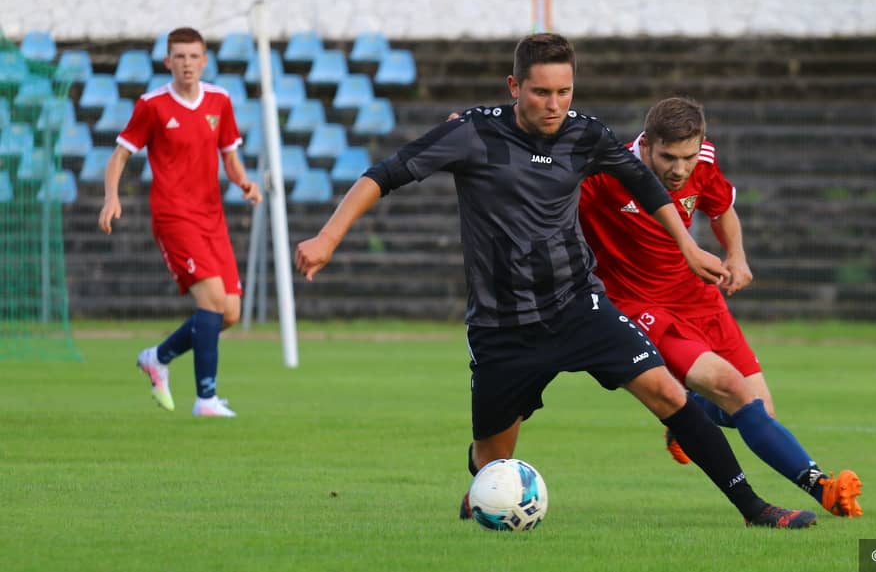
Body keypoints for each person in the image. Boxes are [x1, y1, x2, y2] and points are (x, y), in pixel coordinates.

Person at [296, 33, 816, 528]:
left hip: (578, 306)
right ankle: (484, 484)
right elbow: (385, 174)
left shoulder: (585, 135)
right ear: (514, 86)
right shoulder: (472, 133)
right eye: (541, 92)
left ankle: (754, 509)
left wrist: (687, 245)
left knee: (668, 394)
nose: (554, 104)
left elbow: (643, 182)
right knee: (492, 460)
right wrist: (327, 238)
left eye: (564, 92)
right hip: (503, 325)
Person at [577, 96, 863, 517]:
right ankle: (822, 487)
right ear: (646, 145)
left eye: (688, 157)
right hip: (642, 305)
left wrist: (737, 256)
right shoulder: (605, 174)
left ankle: (688, 417)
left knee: (760, 410)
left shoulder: (704, 161)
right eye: (668, 157)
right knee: (731, 387)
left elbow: (721, 209)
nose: (680, 169)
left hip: (698, 295)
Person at [97, 27, 261, 418]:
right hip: (174, 215)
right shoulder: (152, 105)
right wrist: (111, 197)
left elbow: (229, 156)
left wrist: (243, 182)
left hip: (212, 217)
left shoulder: (220, 100)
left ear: (205, 61)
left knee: (230, 312)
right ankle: (206, 399)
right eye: (180, 56)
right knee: (212, 301)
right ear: (167, 61)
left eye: (193, 56)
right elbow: (119, 156)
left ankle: (158, 357)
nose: (187, 63)